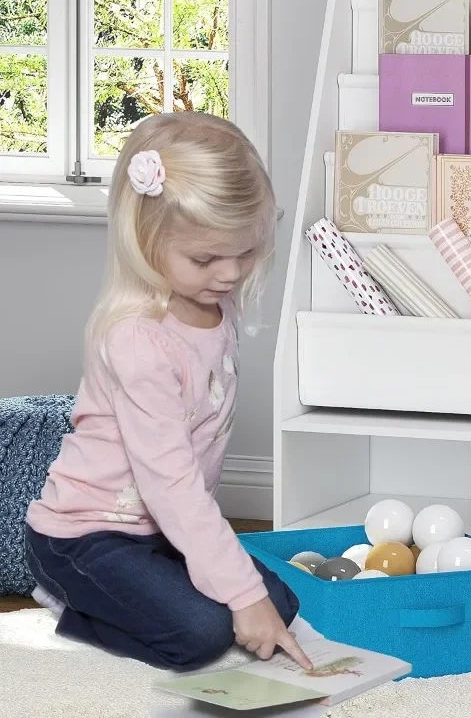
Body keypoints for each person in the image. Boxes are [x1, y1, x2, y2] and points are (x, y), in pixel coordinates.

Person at [24, 112, 312, 673]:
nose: (230, 274)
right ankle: (69, 604)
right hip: (86, 537)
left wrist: (250, 596)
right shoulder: (138, 339)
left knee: (283, 603)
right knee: (201, 637)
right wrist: (239, 596)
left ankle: (174, 591)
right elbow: (172, 481)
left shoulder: (215, 304)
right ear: (146, 240)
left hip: (159, 528)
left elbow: (179, 499)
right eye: (206, 259)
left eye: (246, 252)